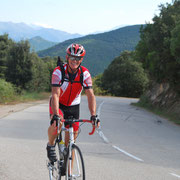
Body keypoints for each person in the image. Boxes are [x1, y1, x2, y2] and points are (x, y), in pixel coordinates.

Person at [46, 43, 100, 163]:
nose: (74, 61)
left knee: (71, 142)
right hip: (58, 104)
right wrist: (55, 115)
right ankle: (50, 145)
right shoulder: (58, 72)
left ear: (81, 59)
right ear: (67, 57)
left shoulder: (84, 73)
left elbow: (90, 95)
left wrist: (93, 115)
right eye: (72, 57)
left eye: (78, 58)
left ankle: (69, 171)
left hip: (74, 106)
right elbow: (55, 94)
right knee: (57, 124)